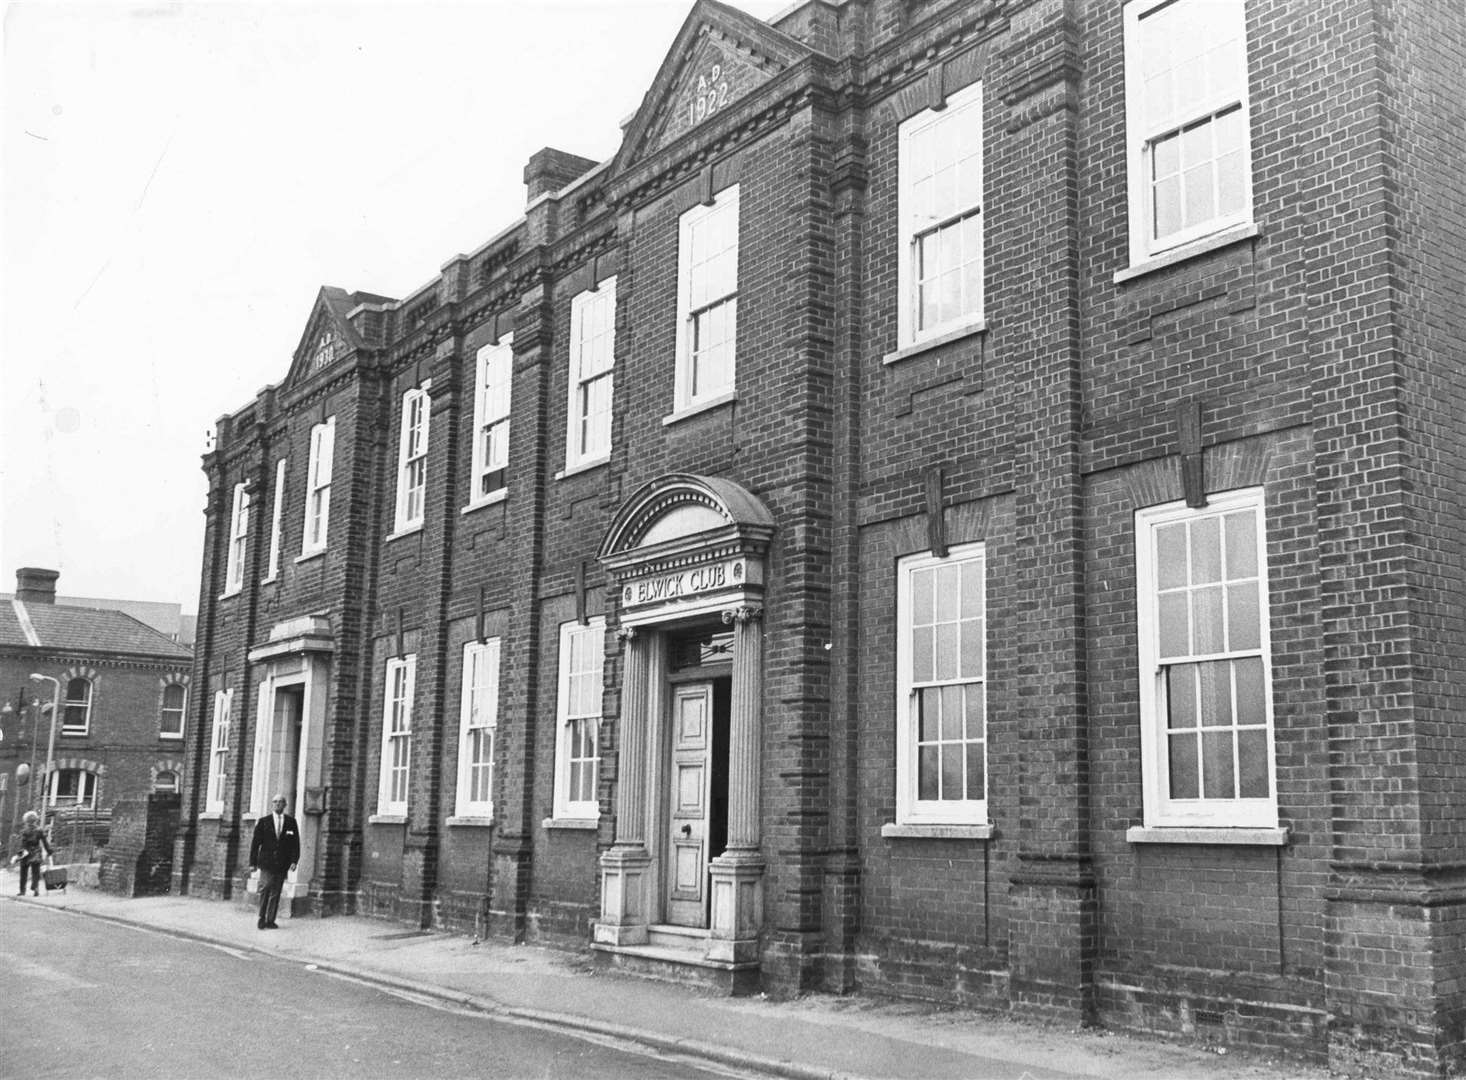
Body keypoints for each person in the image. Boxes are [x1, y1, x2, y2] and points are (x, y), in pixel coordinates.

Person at [248, 794, 299, 929]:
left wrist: (294, 860)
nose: (277, 804)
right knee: (265, 888)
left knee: (276, 891)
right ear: (272, 804)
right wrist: (252, 863)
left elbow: (295, 844)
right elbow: (255, 844)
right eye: (275, 802)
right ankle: (261, 917)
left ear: (285, 805)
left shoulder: (291, 822)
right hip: (266, 862)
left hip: (282, 863)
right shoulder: (264, 822)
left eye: (280, 802)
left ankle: (270, 920)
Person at [15, 810, 52, 897]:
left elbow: (22, 844)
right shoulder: (39, 830)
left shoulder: (24, 831)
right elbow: (45, 842)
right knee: (36, 872)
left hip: (26, 853)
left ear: (26, 820)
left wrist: (18, 856)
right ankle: (35, 888)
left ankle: (22, 891)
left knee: (23, 873)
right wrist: (49, 851)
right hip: (36, 852)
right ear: (35, 820)